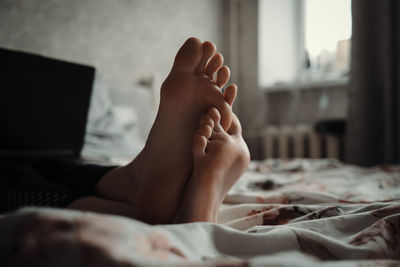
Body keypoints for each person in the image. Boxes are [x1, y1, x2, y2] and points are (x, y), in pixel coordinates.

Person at [1, 38, 250, 224]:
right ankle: (175, 207)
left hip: (54, 156)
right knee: (14, 173)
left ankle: (135, 179)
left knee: (49, 166)